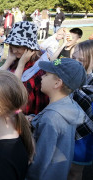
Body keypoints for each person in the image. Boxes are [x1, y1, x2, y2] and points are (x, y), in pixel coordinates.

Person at [26, 58, 86, 180]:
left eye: (46, 74)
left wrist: (29, 176)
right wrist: (35, 119)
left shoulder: (51, 117)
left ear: (57, 83)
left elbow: (41, 157)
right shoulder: (67, 105)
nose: (42, 77)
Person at [0, 21, 49, 115]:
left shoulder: (39, 70)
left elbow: (15, 89)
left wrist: (21, 64)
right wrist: (8, 61)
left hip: (26, 118)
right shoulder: (15, 60)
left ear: (30, 48)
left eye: (18, 47)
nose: (14, 51)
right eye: (11, 46)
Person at [68, 40, 93, 180]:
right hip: (67, 130)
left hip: (84, 137)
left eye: (81, 60)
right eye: (73, 58)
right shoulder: (70, 77)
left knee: (75, 171)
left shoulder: (90, 85)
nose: (76, 62)